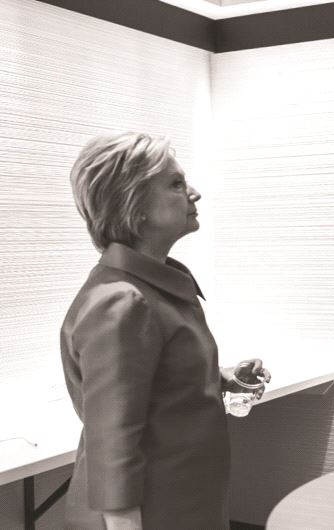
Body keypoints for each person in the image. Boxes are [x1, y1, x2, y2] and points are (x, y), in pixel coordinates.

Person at [60, 132, 270, 529]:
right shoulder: (121, 301)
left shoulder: (151, 287)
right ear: (134, 206)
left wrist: (218, 378)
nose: (194, 193)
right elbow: (113, 445)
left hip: (184, 505)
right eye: (175, 184)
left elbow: (151, 385)